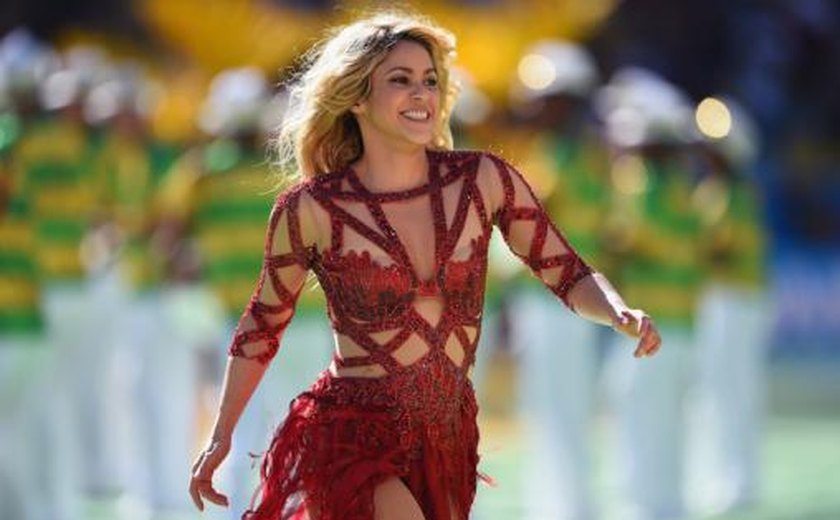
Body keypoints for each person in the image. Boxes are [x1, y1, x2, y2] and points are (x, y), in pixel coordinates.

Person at [188, 11, 662, 520]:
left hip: (448, 435)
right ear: (356, 98)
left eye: (430, 80)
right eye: (400, 80)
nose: (422, 94)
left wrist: (617, 311)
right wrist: (220, 437)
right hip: (353, 432)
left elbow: (565, 270)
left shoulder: (485, 179)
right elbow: (262, 325)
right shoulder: (311, 208)